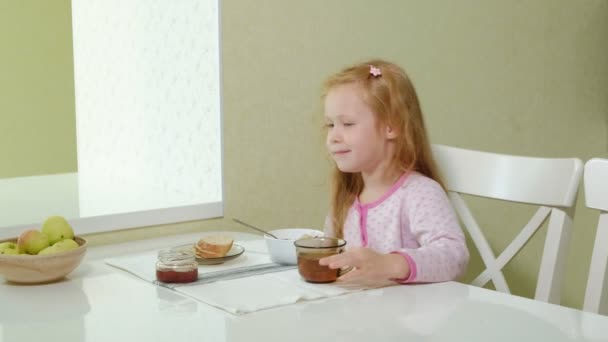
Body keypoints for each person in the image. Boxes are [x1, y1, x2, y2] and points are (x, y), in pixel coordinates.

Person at [318, 59, 469, 284]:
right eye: (330, 125)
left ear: (392, 126)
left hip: (413, 316)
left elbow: (454, 255)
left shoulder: (418, 192)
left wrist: (391, 264)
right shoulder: (346, 199)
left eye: (347, 124)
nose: (333, 137)